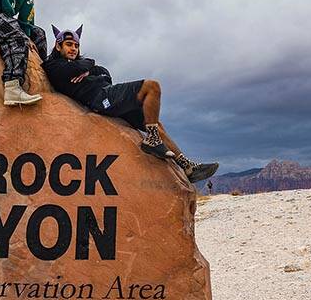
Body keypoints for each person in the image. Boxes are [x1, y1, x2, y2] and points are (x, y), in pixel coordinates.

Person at [43, 25, 219, 184]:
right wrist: (86, 66)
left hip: (108, 95)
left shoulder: (77, 64)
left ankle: (186, 166)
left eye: (76, 45)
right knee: (152, 87)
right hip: (100, 99)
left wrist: (87, 69)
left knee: (156, 124)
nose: (74, 48)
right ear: (58, 46)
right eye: (69, 45)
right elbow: (86, 65)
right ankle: (151, 140)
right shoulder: (53, 65)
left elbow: (104, 72)